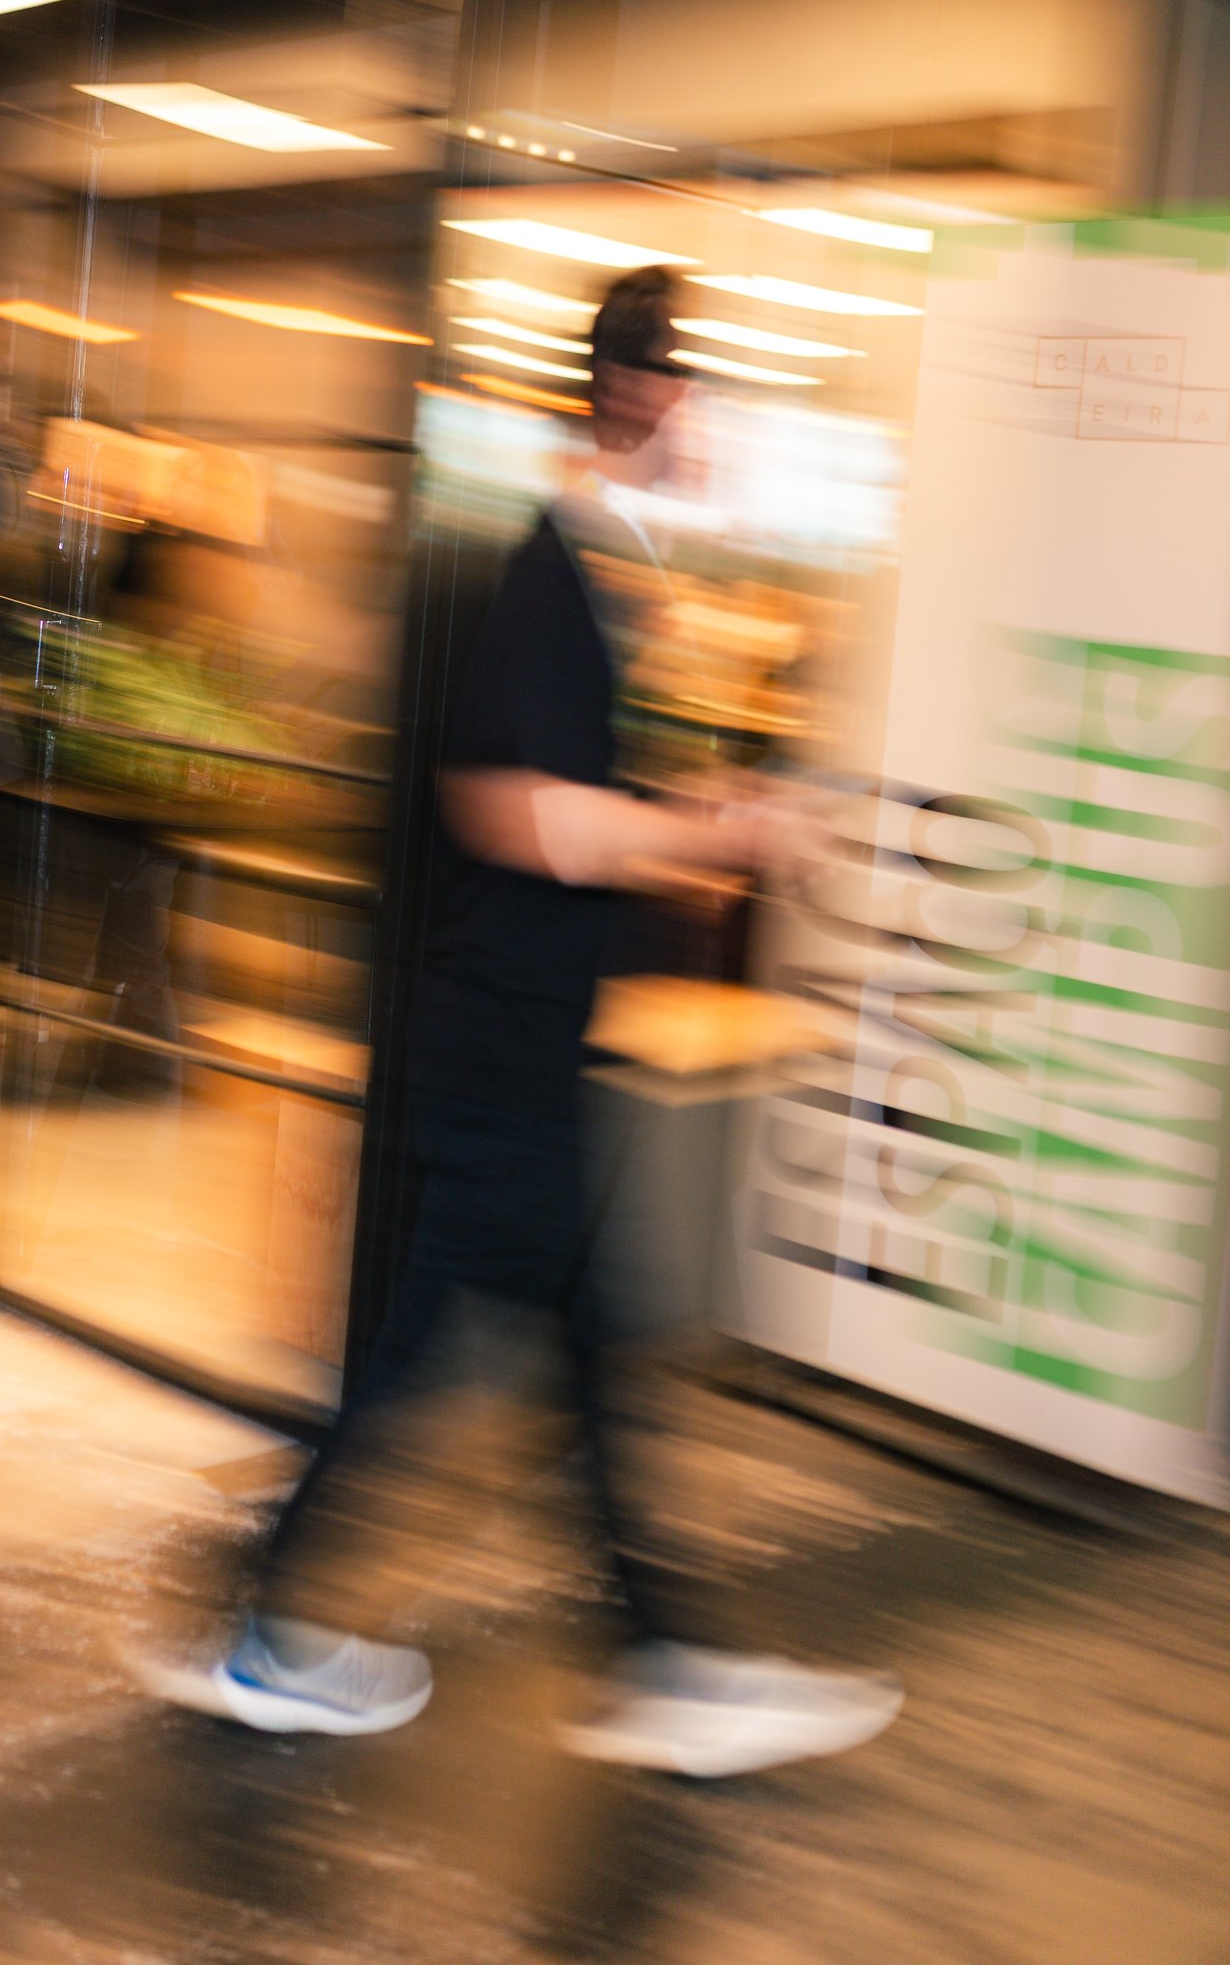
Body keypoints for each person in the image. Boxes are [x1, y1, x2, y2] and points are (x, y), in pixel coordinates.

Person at [141, 266, 902, 1775]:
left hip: (512, 1047)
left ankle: (611, 1658)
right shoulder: (548, 580)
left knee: (536, 1360)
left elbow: (554, 794)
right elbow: (522, 815)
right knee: (488, 1365)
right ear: (647, 397)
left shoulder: (576, 572)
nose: (720, 434)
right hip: (500, 1053)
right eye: (707, 398)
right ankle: (331, 1637)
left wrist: (698, 813)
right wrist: (722, 835)